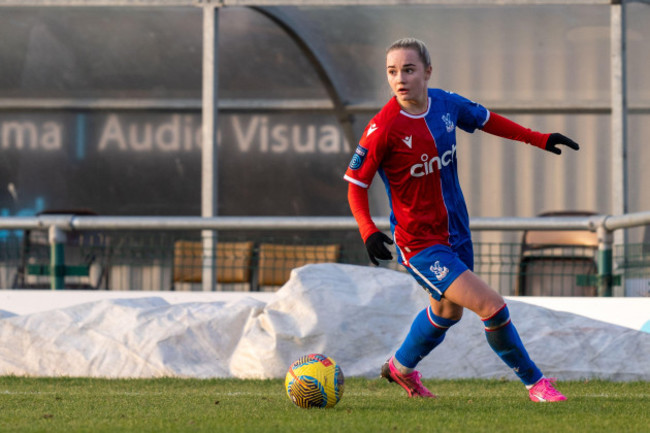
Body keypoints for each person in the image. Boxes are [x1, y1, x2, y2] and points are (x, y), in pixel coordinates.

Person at [344, 38, 578, 402]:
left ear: (427, 72)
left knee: (446, 312)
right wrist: (368, 231)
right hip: (419, 243)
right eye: (392, 72)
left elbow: (488, 121)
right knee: (492, 306)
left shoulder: (446, 105)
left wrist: (539, 138)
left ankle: (399, 368)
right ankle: (536, 384)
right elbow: (356, 186)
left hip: (456, 233)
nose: (399, 79)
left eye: (408, 69)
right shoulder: (383, 128)